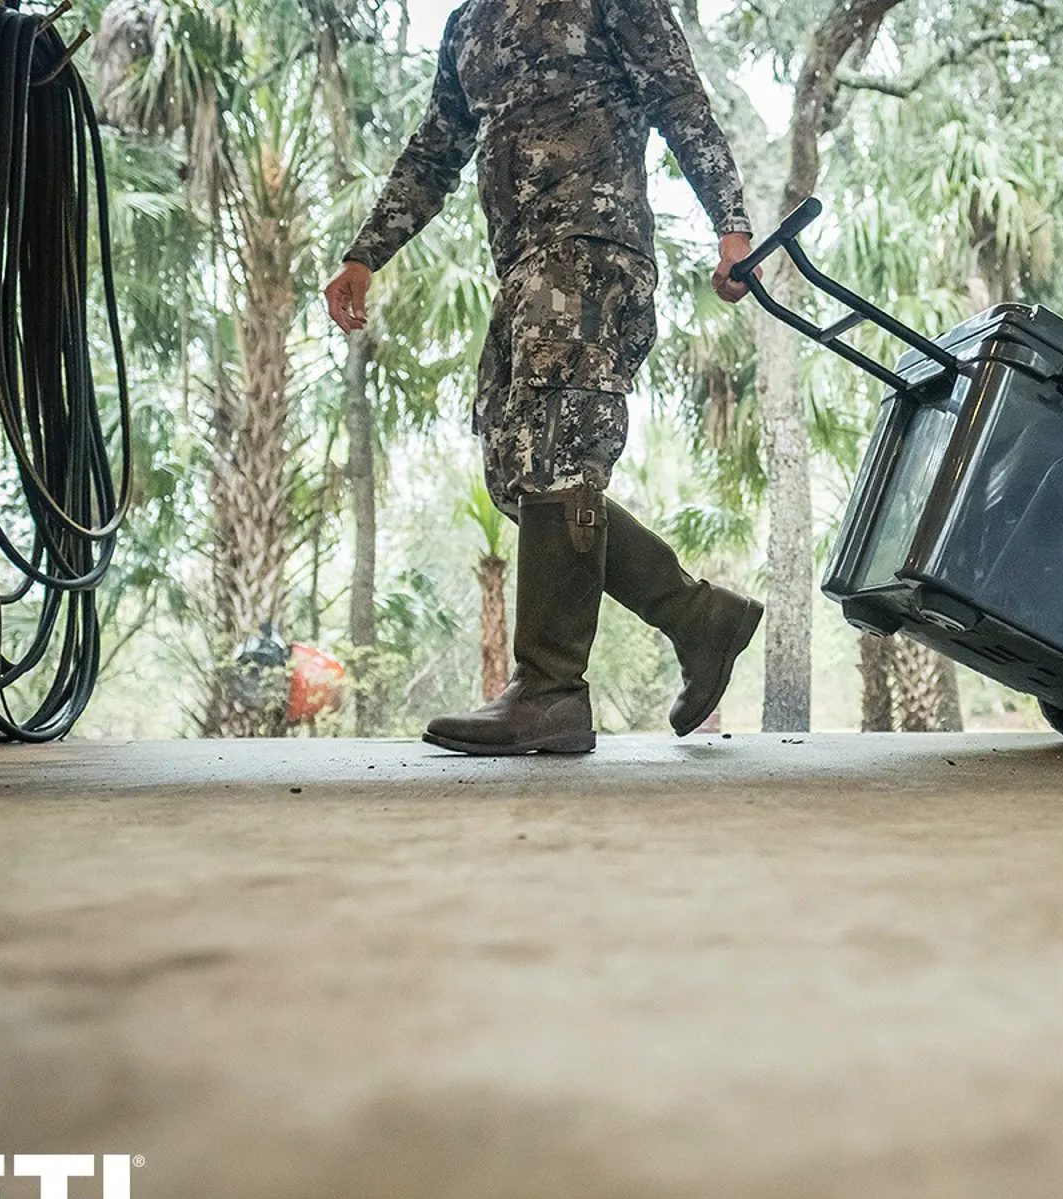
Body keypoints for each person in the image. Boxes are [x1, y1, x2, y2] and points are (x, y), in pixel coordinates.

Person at [324, 0, 765, 757]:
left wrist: (732, 226)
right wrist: (365, 254)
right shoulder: (468, 24)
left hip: (592, 248)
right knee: (519, 478)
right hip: (522, 270)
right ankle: (697, 617)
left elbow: (678, 97)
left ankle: (551, 689)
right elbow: (434, 152)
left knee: (560, 459)